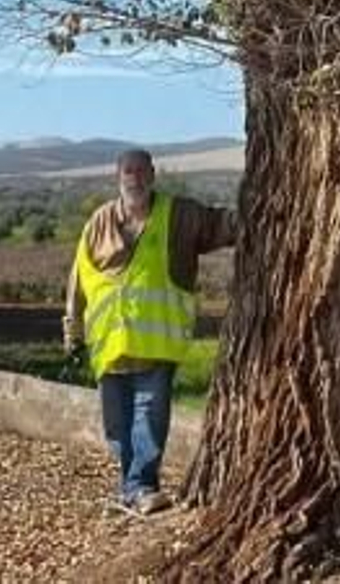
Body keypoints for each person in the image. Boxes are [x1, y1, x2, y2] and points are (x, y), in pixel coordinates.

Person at [63, 148, 236, 515]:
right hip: (109, 348)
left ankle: (142, 487)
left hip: (157, 346)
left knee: (148, 419)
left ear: (153, 175)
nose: (135, 178)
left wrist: (266, 207)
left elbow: (223, 224)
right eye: (129, 171)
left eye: (142, 171)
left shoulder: (179, 216)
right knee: (117, 427)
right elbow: (78, 281)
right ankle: (130, 489)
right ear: (118, 176)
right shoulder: (99, 222)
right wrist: (72, 332)